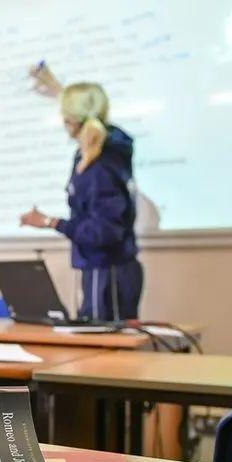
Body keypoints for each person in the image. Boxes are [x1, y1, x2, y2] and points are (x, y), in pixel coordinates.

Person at [20, 65, 143, 321]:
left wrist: (50, 222)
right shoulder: (105, 151)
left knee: (103, 350)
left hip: (107, 272)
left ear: (70, 119)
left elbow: (103, 231)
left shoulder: (99, 166)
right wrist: (57, 90)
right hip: (105, 270)